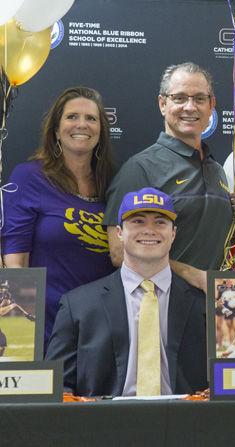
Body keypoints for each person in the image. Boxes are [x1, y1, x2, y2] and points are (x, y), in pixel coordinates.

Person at [46, 188, 207, 397]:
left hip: (187, 423)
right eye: (138, 221)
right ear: (119, 233)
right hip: (104, 424)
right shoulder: (77, 306)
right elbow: (55, 386)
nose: (149, 230)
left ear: (173, 233)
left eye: (160, 222)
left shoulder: (204, 304)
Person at [102, 62, 235, 272]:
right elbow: (118, 252)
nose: (190, 107)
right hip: (159, 301)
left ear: (211, 104)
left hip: (214, 300)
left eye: (199, 98)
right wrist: (192, 275)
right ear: (162, 104)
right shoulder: (140, 168)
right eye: (179, 98)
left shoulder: (217, 171)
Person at [2, 86, 115, 341]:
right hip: (44, 322)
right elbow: (15, 262)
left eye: (91, 118)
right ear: (56, 129)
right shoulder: (30, 177)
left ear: (101, 131)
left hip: (99, 326)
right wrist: (22, 337)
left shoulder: (112, 184)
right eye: (72, 117)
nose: (82, 124)